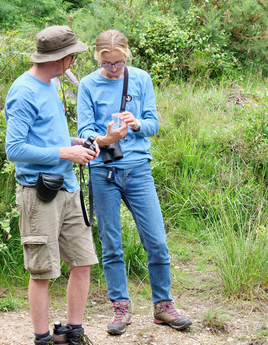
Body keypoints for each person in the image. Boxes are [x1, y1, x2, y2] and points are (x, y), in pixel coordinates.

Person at [77, 29, 192, 335]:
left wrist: (137, 123)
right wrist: (105, 138)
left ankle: (163, 305)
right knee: (112, 245)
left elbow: (153, 123)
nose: (113, 69)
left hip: (138, 170)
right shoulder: (88, 84)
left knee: (156, 241)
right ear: (98, 58)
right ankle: (120, 307)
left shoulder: (141, 79)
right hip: (104, 171)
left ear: (126, 55)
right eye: (107, 63)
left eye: (118, 63)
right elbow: (84, 131)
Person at [4, 26, 99, 345]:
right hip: (38, 193)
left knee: (83, 261)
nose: (74, 60)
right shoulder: (23, 91)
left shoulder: (53, 83)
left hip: (68, 188)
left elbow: (46, 135)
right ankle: (43, 339)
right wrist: (64, 152)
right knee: (42, 272)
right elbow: (14, 149)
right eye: (72, 55)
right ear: (58, 57)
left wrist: (76, 143)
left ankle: (72, 334)